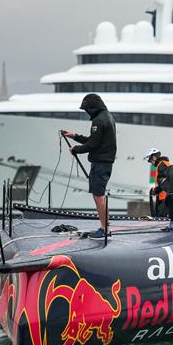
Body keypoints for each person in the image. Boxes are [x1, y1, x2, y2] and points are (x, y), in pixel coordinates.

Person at [60, 93, 116, 240]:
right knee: (100, 195)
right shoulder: (108, 116)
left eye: (87, 109)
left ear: (92, 108)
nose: (86, 112)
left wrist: (75, 149)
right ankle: (106, 226)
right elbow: (93, 140)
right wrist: (74, 136)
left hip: (100, 164)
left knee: (98, 196)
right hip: (105, 163)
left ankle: (104, 229)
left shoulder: (98, 121)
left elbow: (92, 144)